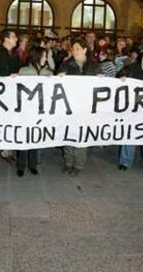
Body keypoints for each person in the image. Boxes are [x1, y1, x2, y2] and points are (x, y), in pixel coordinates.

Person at [58, 37, 102, 176]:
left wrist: (102, 79)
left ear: (84, 49)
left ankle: (78, 164)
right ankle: (68, 162)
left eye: (78, 48)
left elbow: (103, 86)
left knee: (82, 135)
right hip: (69, 105)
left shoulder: (94, 66)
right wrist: (59, 77)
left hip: (86, 106)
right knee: (68, 134)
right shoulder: (66, 64)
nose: (75, 51)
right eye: (73, 48)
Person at [16, 46, 53, 176]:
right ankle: (21, 165)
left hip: (40, 112)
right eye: (44, 56)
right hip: (26, 111)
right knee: (24, 139)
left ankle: (33, 164)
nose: (46, 58)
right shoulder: (23, 71)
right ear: (36, 56)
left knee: (36, 139)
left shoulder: (49, 73)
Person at [0, 29, 20, 165]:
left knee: (10, 122)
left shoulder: (15, 56)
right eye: (14, 36)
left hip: (11, 95)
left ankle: (7, 151)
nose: (16, 39)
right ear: (6, 39)